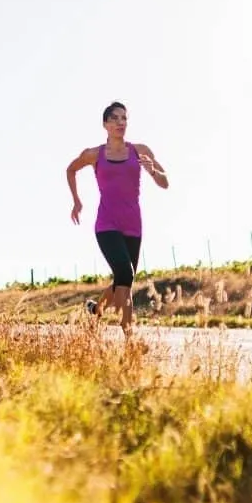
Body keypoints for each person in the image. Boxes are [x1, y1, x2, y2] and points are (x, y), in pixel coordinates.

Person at [65, 100, 169, 335]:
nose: (121, 122)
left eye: (124, 118)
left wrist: (152, 170)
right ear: (105, 124)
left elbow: (165, 183)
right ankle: (128, 331)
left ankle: (95, 311)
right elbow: (70, 169)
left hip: (133, 223)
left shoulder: (140, 151)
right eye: (115, 118)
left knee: (123, 280)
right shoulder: (94, 154)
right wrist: (77, 200)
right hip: (107, 224)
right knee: (126, 272)